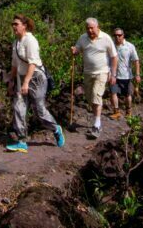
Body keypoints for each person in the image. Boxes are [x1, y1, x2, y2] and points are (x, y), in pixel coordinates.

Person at [6, 14, 65, 153]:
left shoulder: (30, 40)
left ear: (24, 26)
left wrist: (26, 82)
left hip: (35, 78)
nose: (14, 26)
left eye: (16, 24)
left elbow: (32, 63)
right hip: (21, 77)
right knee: (18, 107)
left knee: (39, 111)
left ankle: (56, 129)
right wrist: (11, 82)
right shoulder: (16, 43)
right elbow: (14, 65)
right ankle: (21, 141)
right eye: (12, 24)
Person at [71, 18, 117, 139]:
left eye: (92, 28)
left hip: (102, 72)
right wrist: (74, 50)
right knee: (90, 97)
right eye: (87, 28)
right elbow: (77, 50)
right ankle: (96, 117)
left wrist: (113, 74)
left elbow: (114, 57)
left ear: (97, 27)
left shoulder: (106, 38)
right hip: (87, 73)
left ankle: (97, 124)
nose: (90, 30)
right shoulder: (82, 38)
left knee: (96, 95)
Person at [109, 28, 140, 119]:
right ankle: (116, 112)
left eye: (119, 35)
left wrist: (137, 74)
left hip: (126, 75)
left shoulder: (130, 46)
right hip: (113, 75)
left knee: (127, 94)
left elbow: (136, 60)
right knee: (113, 93)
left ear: (123, 35)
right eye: (115, 35)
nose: (117, 37)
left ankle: (128, 111)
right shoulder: (111, 46)